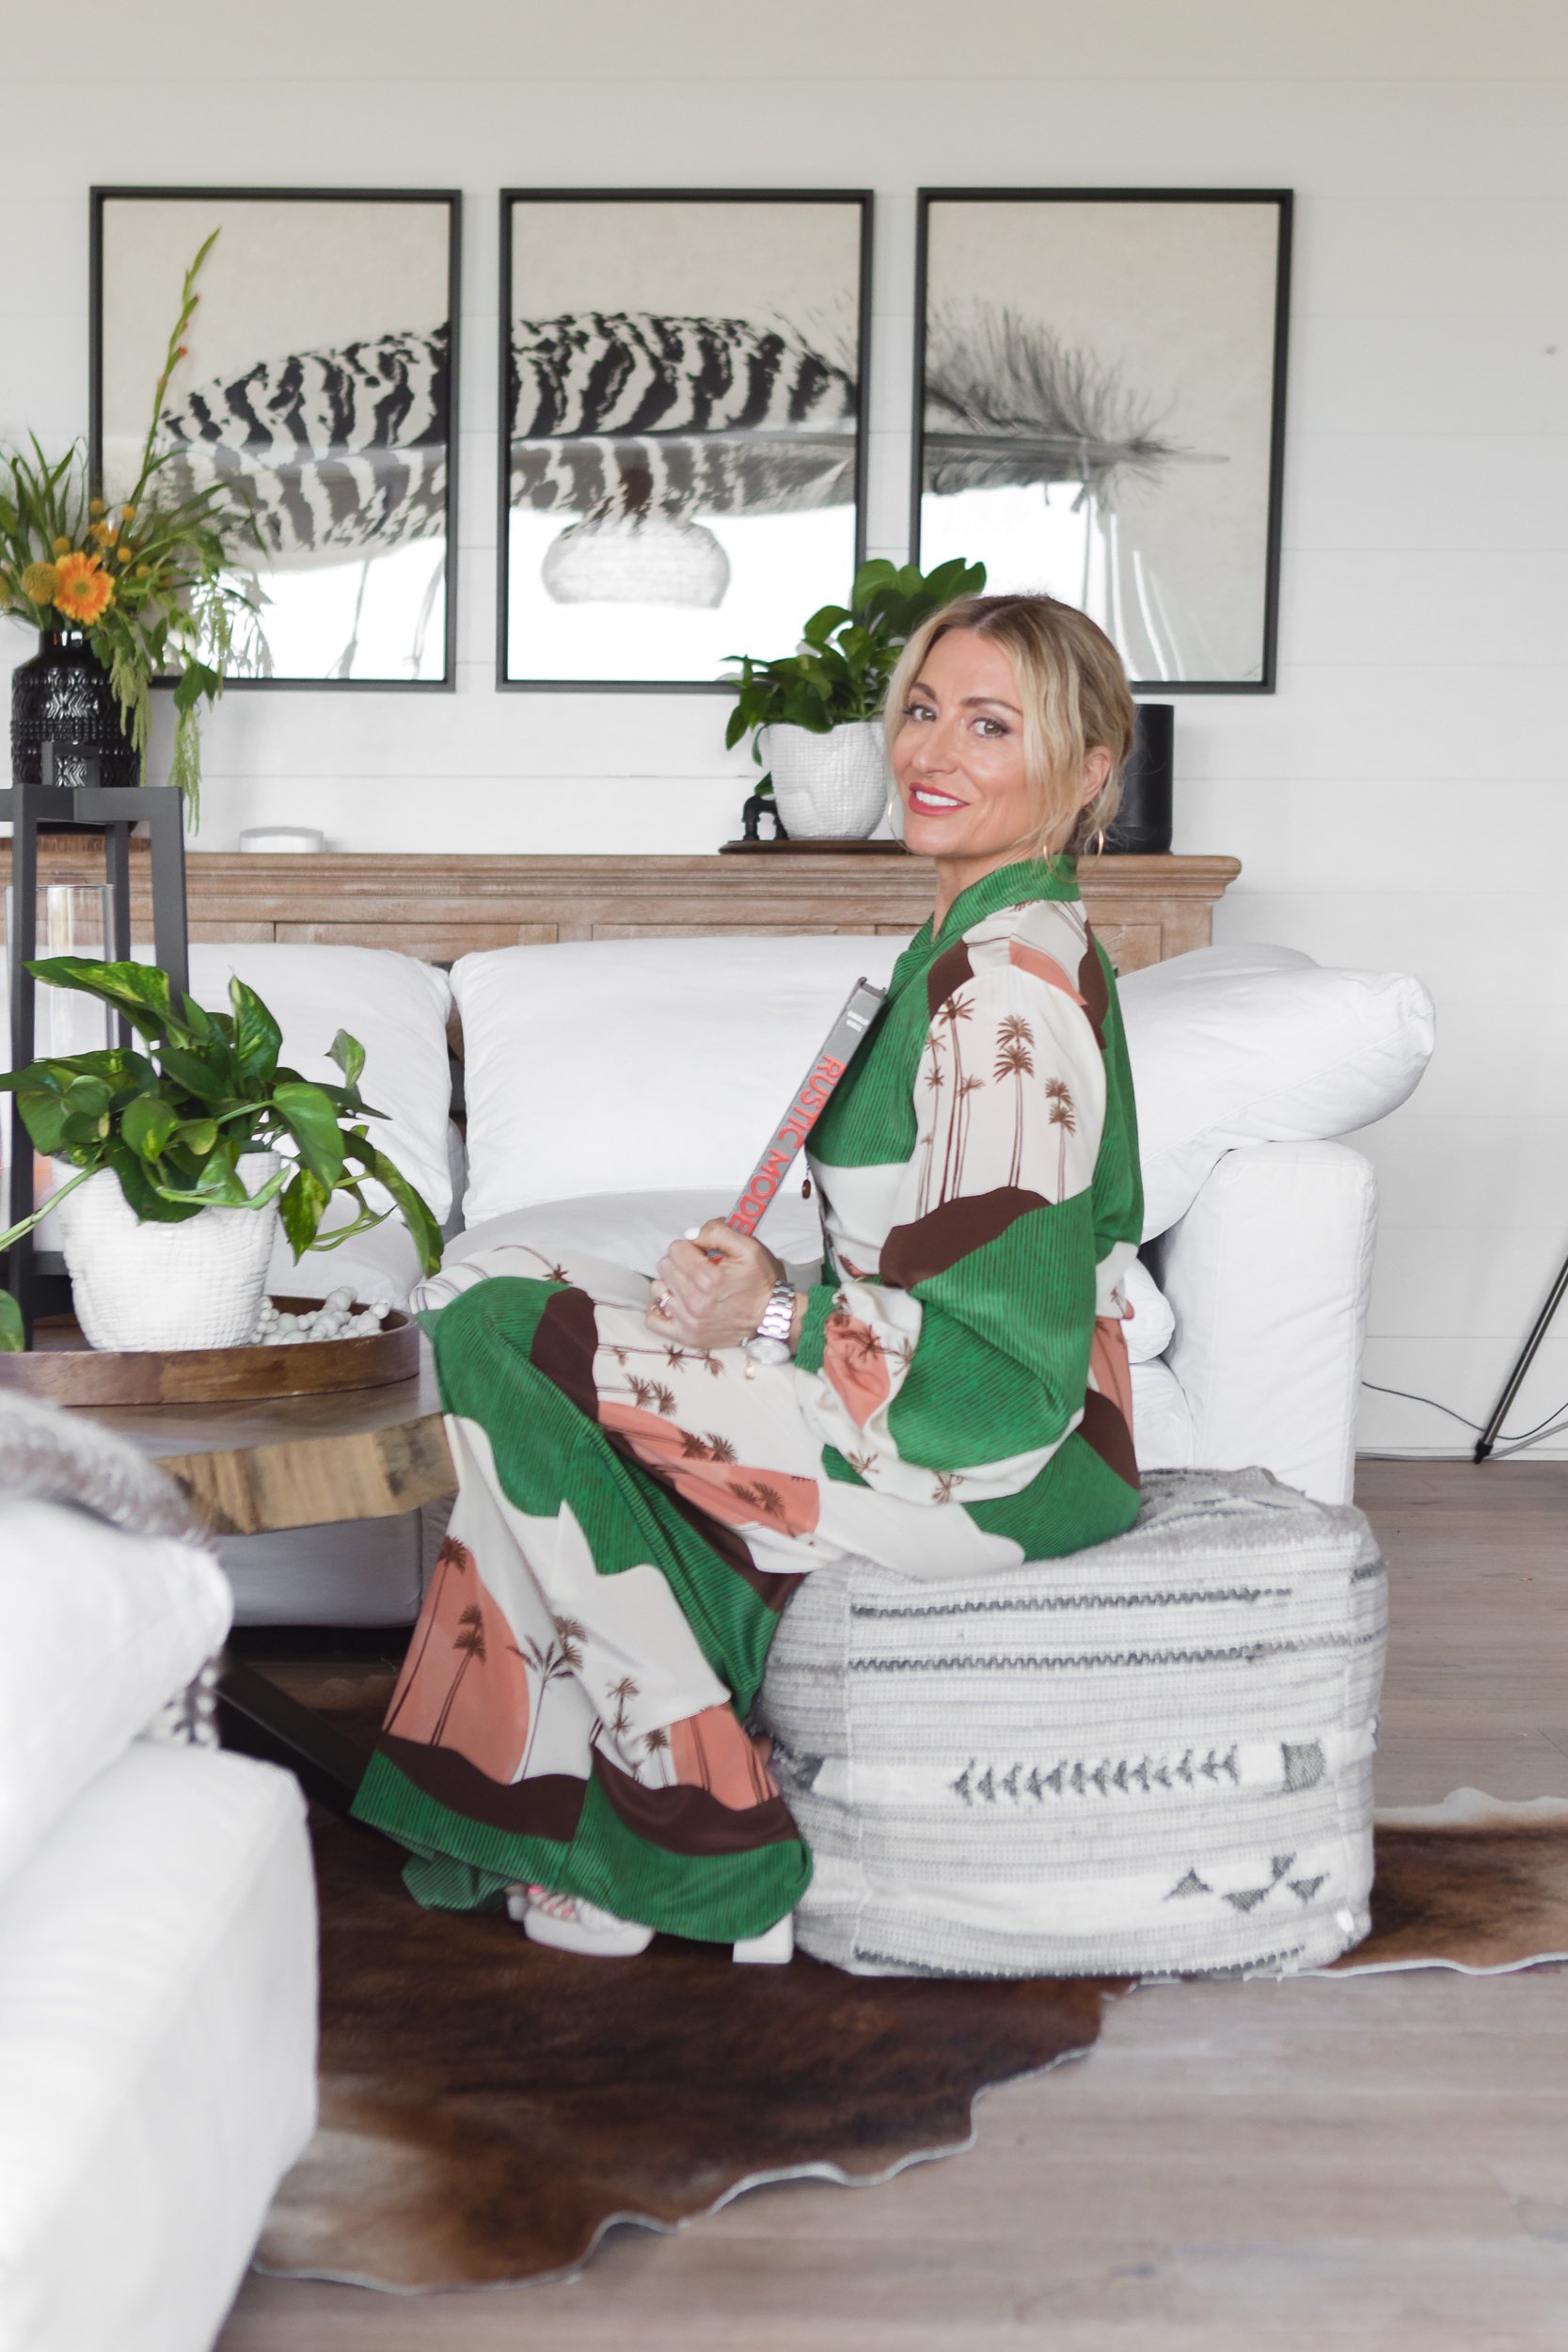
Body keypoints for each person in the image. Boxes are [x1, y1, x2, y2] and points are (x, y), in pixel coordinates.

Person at [351, 593, 1145, 1958]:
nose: (931, 751)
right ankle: (637, 1747)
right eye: (921, 709)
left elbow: (1003, 1374)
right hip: (924, 1392)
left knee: (497, 1332)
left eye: (991, 724)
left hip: (996, 1461)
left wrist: (774, 1318)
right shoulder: (972, 944)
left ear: (1086, 773)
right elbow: (923, 1251)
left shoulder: (1005, 989)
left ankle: (691, 1825)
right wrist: (768, 1285)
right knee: (514, 1283)